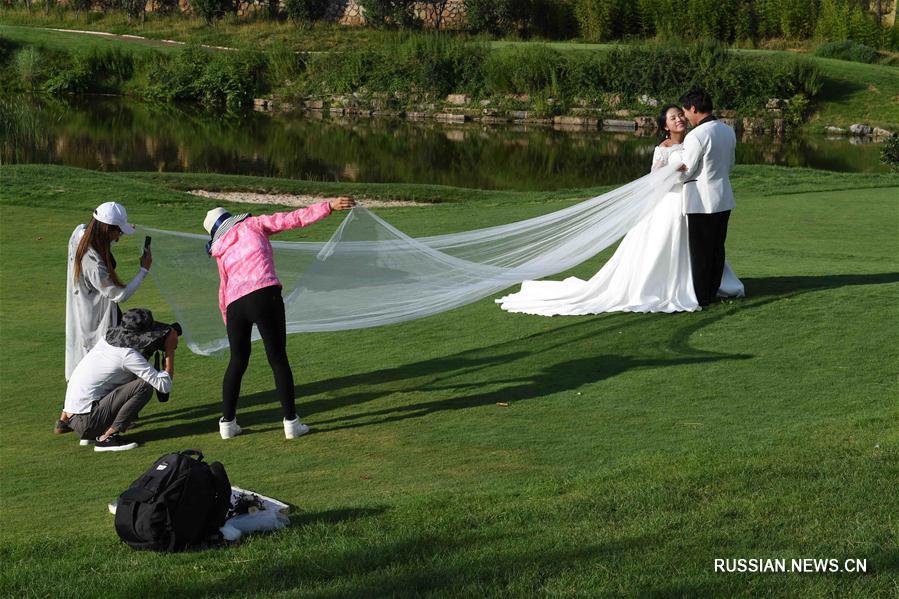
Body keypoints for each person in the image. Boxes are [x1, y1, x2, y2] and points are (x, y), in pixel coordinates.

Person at [496, 104, 742, 316]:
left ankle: (696, 285)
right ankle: (665, 287)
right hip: (669, 203)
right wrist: (673, 172)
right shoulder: (663, 148)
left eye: (680, 115)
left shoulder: (693, 141)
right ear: (665, 126)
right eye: (672, 118)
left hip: (691, 203)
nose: (679, 119)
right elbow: (655, 179)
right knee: (666, 244)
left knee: (696, 246)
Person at [205, 198, 355, 440]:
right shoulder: (254, 224)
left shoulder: (220, 249)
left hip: (235, 306)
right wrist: (327, 206)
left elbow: (224, 288)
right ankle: (291, 423)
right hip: (264, 294)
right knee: (277, 358)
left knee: (237, 361)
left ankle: (227, 423)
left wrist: (228, 319)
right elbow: (292, 219)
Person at [56, 308, 178, 452]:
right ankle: (107, 438)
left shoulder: (107, 341)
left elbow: (128, 370)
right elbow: (164, 386)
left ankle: (93, 434)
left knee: (131, 381)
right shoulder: (127, 355)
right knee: (144, 386)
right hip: (88, 420)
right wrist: (170, 350)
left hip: (77, 418)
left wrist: (149, 350)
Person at [66, 201, 152, 381]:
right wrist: (144, 270)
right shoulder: (93, 263)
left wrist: (122, 228)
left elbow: (101, 243)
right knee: (102, 369)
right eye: (118, 232)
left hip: (92, 310)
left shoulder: (81, 232)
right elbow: (120, 295)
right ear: (107, 230)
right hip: (95, 318)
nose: (119, 238)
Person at [678, 88, 737, 306]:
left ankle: (701, 296)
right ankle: (711, 291)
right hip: (723, 197)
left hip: (701, 201)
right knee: (716, 248)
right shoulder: (728, 130)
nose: (685, 116)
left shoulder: (697, 135)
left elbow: (688, 170)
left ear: (693, 108)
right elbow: (730, 164)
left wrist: (669, 172)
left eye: (685, 111)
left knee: (700, 251)